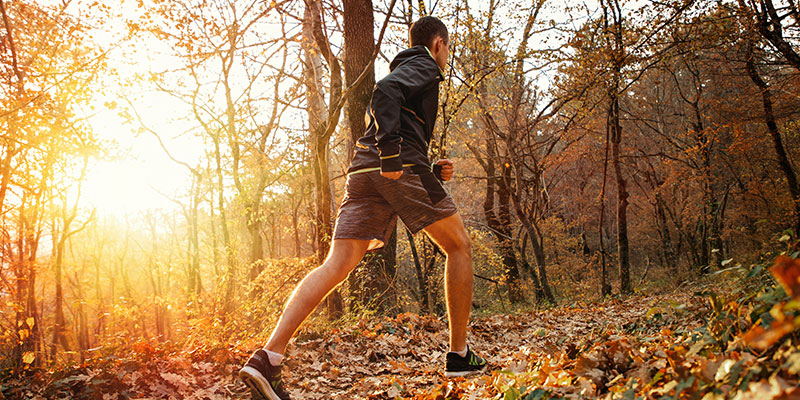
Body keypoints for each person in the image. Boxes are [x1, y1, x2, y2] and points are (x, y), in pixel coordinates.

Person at [238, 16, 487, 400]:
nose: (447, 55)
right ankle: (458, 355)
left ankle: (268, 358)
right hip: (395, 163)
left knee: (336, 265)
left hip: (364, 169)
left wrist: (427, 165)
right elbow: (385, 92)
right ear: (438, 43)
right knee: (459, 246)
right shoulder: (423, 64)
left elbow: (397, 117)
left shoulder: (407, 67)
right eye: (448, 48)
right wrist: (395, 155)